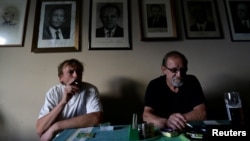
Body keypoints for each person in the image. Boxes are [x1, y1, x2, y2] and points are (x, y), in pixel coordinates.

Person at [36, 59, 103, 141]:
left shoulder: (90, 89)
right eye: (71, 72)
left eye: (79, 72)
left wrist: (57, 126)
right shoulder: (53, 92)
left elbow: (96, 118)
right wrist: (63, 102)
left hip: (84, 137)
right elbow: (40, 130)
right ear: (61, 77)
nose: (76, 75)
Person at [142, 51, 207, 131]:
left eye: (183, 70)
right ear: (164, 70)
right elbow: (146, 115)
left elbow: (202, 113)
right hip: (163, 131)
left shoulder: (192, 81)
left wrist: (175, 121)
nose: (179, 75)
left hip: (188, 130)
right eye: (174, 70)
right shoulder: (154, 85)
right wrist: (167, 122)